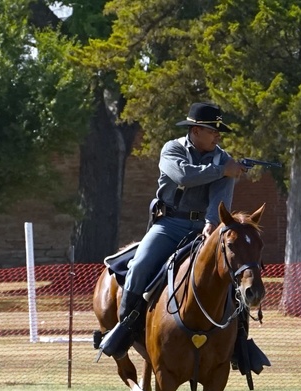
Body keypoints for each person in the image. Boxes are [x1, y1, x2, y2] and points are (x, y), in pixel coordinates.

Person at [97, 102, 248, 359]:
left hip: (205, 226)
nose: (218, 136)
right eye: (213, 131)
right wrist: (223, 170)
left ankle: (240, 344)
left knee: (234, 274)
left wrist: (212, 222)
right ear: (196, 130)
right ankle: (125, 327)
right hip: (169, 225)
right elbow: (183, 177)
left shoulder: (223, 158)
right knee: (140, 266)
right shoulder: (172, 149)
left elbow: (220, 199)